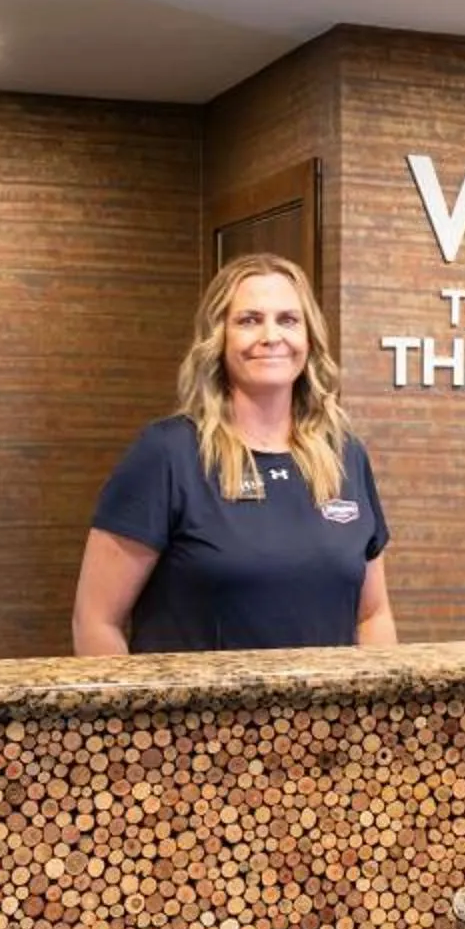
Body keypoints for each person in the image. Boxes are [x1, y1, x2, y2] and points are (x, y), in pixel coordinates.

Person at [73, 255, 395, 655]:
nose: (271, 335)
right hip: (195, 718)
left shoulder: (344, 454)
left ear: (309, 338)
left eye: (289, 320)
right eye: (249, 320)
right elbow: (96, 621)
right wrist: (140, 717)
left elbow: (373, 615)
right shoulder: (168, 454)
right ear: (218, 337)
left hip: (325, 719)